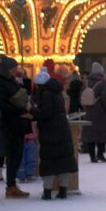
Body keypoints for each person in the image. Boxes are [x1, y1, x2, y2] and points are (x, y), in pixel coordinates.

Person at [31, 69, 77, 201]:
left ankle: (47, 192)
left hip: (50, 131)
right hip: (62, 128)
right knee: (63, 160)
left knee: (49, 161)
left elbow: (45, 112)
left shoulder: (45, 93)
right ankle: (63, 191)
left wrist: (32, 110)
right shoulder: (57, 91)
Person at [0, 56, 32, 198]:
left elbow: (24, 93)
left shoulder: (11, 81)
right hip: (12, 123)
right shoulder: (1, 84)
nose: (16, 71)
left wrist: (24, 80)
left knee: (17, 154)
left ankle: (12, 184)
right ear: (7, 70)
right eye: (13, 69)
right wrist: (18, 109)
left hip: (17, 122)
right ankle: (11, 186)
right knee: (14, 154)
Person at [80, 62, 106, 162]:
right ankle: (100, 154)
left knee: (90, 135)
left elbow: (81, 96)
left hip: (88, 112)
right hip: (100, 112)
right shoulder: (102, 83)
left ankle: (92, 157)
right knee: (101, 135)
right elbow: (105, 98)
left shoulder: (85, 82)